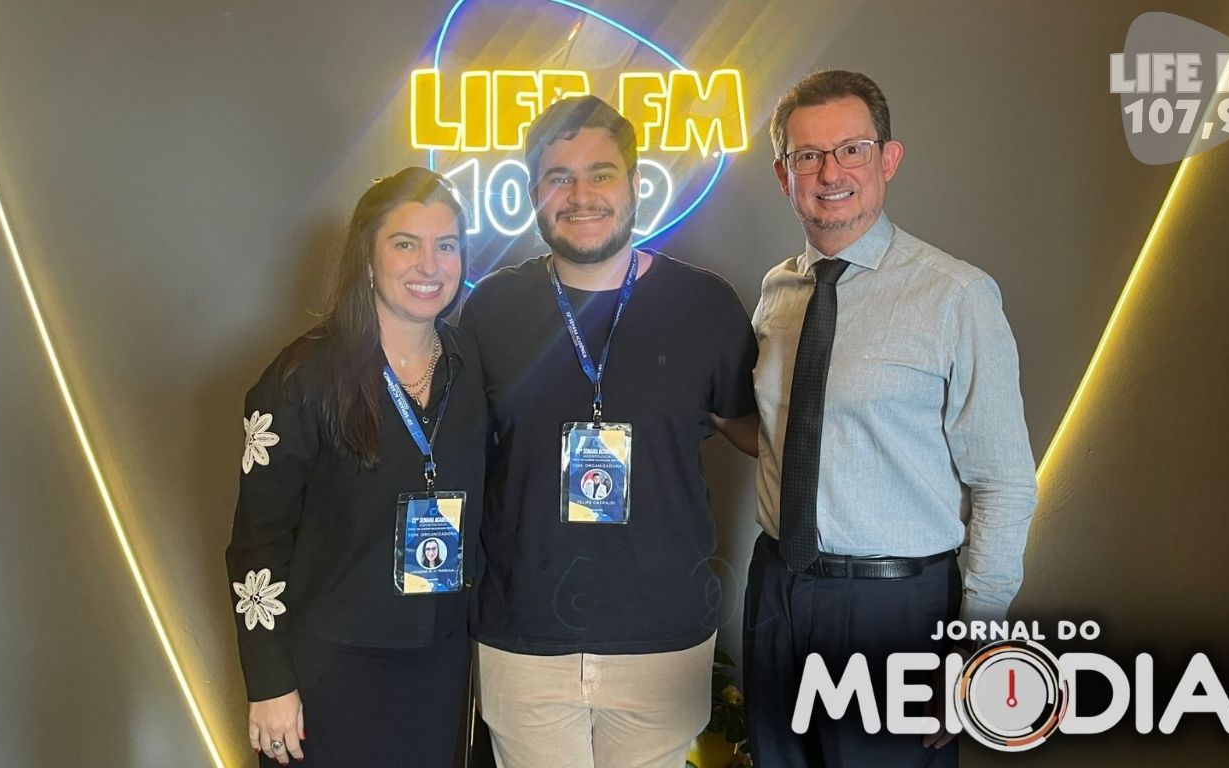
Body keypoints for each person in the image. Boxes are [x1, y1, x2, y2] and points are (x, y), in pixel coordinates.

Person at [743, 70, 1038, 767]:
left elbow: (1003, 482)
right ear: (784, 173)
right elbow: (788, 432)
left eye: (851, 148)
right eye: (807, 155)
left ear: (888, 159)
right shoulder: (777, 294)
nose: (829, 171)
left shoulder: (956, 295)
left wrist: (970, 644)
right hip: (779, 590)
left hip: (897, 610)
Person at [459, 95, 758, 768]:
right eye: (557, 176)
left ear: (634, 184)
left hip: (662, 639)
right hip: (522, 634)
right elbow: (448, 455)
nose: (581, 194)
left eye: (601, 173)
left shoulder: (705, 305)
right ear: (532, 192)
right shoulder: (492, 310)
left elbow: (759, 436)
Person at [225, 168, 486, 766]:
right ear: (367, 258)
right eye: (405, 244)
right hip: (330, 674)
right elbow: (256, 543)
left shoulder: (470, 365)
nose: (429, 265)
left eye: (445, 245)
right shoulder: (301, 377)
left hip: (439, 666)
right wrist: (269, 684)